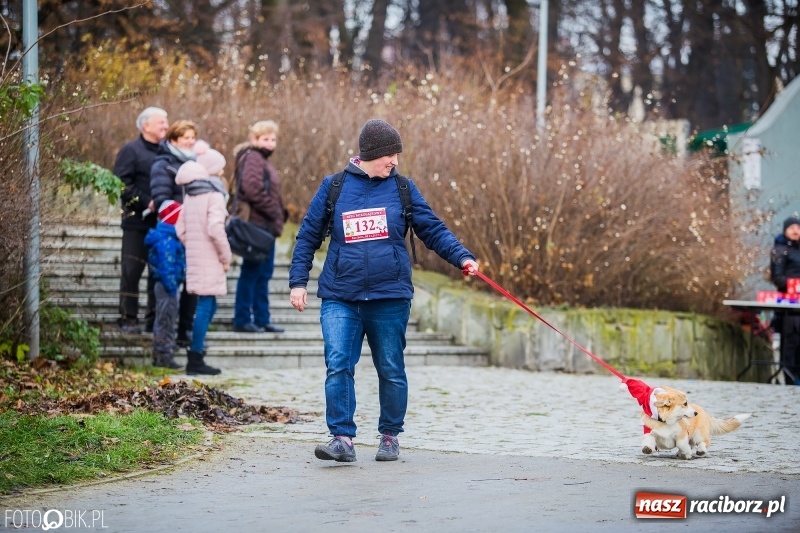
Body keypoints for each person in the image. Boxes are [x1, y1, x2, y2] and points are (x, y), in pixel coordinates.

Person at [289, 118, 480, 462]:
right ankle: (342, 439)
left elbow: (432, 229)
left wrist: (462, 257)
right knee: (338, 364)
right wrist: (298, 282)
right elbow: (307, 236)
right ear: (368, 154)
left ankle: (390, 435)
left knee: (391, 368)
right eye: (389, 155)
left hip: (389, 296)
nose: (394, 161)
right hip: (341, 296)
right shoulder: (334, 187)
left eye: (397, 154)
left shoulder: (403, 188)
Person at [175, 149, 231, 376]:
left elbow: (180, 229)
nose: (222, 172)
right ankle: (195, 357)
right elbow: (216, 229)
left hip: (196, 256)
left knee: (209, 304)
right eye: (220, 168)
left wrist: (194, 245)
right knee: (206, 304)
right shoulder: (214, 195)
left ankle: (196, 353)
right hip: (211, 257)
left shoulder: (190, 195)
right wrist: (225, 256)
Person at [115, 106, 169, 334]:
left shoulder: (167, 152)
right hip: (136, 223)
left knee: (158, 273)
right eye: (161, 122)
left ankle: (152, 319)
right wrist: (147, 202)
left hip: (161, 224)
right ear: (146, 125)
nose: (166, 126)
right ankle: (128, 318)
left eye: (166, 122)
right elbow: (121, 184)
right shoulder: (131, 151)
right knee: (132, 271)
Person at [231, 120, 287, 334]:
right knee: (252, 272)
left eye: (273, 139)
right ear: (254, 139)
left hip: (265, 227)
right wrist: (274, 211)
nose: (270, 143)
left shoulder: (261, 159)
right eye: (265, 139)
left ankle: (262, 318)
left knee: (263, 273)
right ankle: (243, 318)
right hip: (257, 226)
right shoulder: (253, 157)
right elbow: (252, 188)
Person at [150, 120, 201, 346]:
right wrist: (190, 214)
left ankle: (185, 331)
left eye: (193, 137)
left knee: (193, 284)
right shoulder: (163, 164)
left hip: (194, 235)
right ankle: (163, 339)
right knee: (168, 286)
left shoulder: (196, 164)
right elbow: (162, 201)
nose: (190, 141)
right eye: (185, 137)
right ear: (173, 140)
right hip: (171, 234)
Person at [143, 200, 185, 369]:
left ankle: (162, 353)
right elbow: (166, 266)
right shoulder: (167, 239)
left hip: (168, 285)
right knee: (166, 319)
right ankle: (163, 355)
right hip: (167, 286)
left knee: (166, 318)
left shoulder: (168, 237)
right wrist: (172, 286)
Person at [769, 215, 800, 384]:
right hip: (789, 304)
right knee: (790, 342)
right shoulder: (779, 250)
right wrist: (795, 285)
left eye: (798, 227)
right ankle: (790, 379)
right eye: (792, 227)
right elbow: (777, 277)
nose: (796, 230)